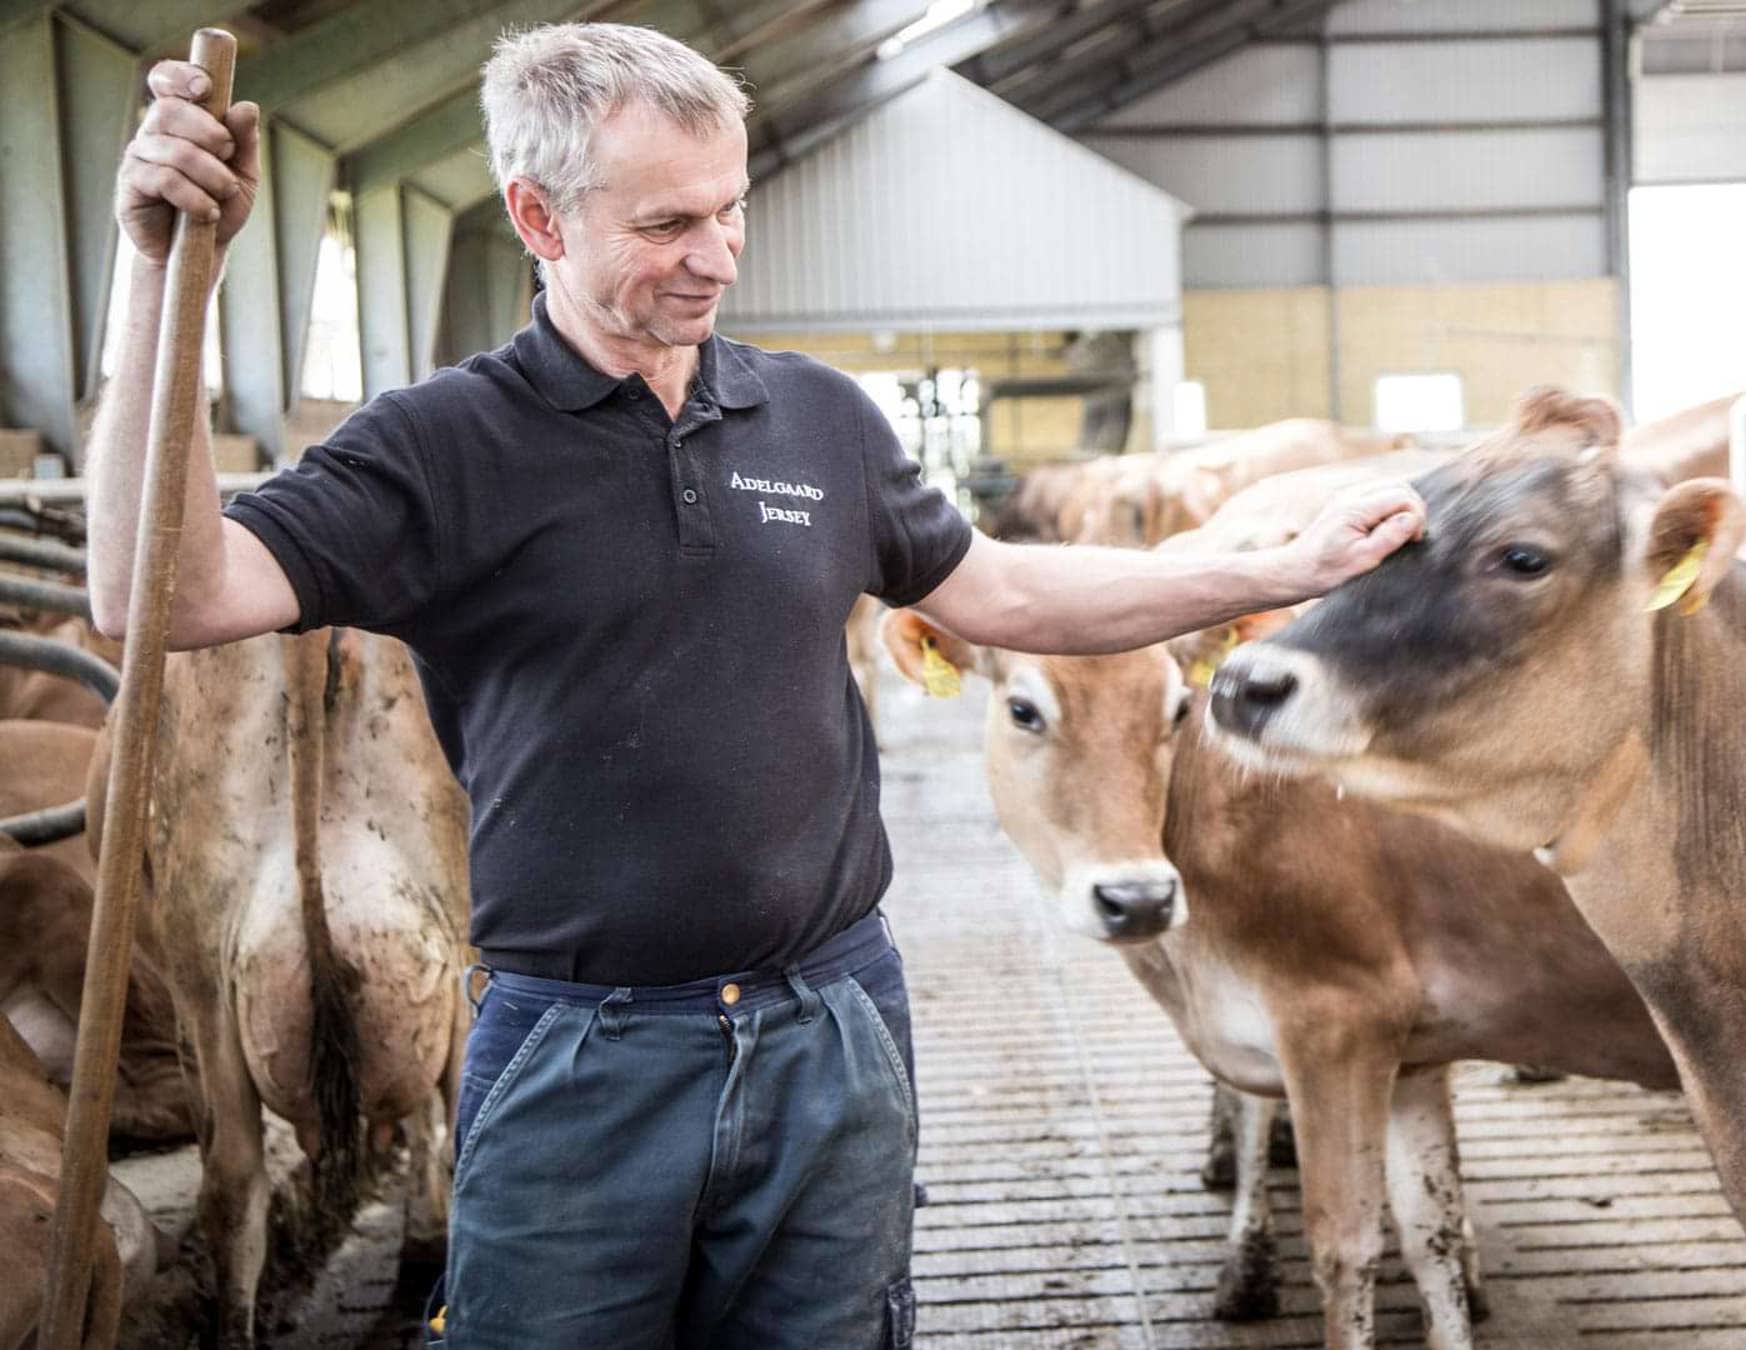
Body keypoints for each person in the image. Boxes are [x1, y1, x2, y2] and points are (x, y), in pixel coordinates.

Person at [90, 22, 1423, 1349]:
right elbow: (162, 594)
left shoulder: (819, 419)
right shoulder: (442, 447)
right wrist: (161, 281)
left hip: (830, 1032)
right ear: (536, 216)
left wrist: (1266, 563)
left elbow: (1003, 595)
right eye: (669, 222)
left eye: (731, 210)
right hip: (578, 1059)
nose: (719, 256)